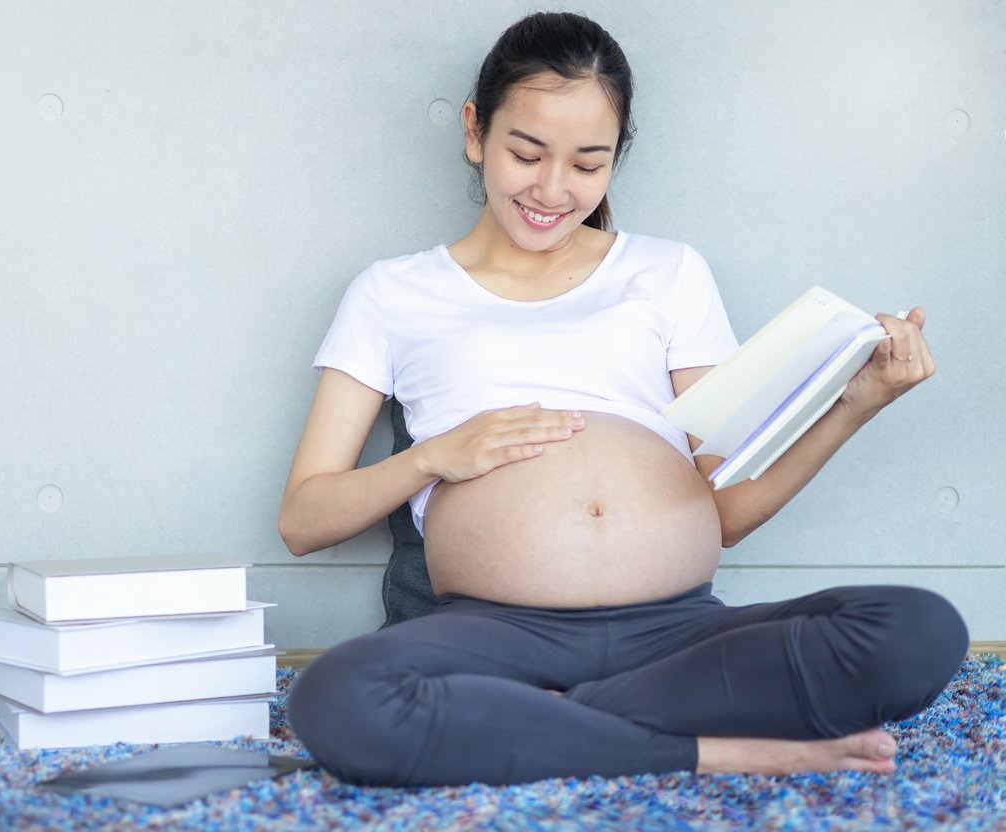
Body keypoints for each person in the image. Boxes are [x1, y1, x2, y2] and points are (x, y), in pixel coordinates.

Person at [277, 11, 967, 786]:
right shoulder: (392, 292)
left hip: (678, 631)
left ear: (615, 161)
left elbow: (727, 511)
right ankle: (710, 748)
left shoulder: (669, 273)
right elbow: (305, 520)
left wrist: (859, 400)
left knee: (920, 631)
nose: (551, 189)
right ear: (475, 131)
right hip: (494, 632)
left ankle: (535, 720)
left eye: (587, 164)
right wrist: (435, 455)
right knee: (336, 697)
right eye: (526, 153)